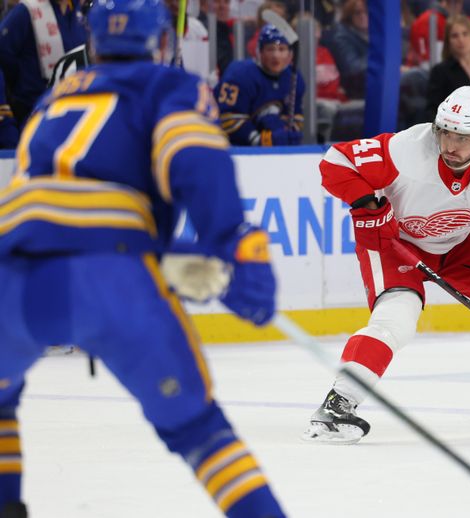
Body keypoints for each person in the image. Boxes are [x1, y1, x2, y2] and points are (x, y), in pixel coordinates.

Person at [0, 0, 286, 517]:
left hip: (12, 276)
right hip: (109, 279)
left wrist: (165, 251)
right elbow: (195, 163)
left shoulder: (53, 97)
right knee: (201, 432)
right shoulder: (169, 86)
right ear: (160, 41)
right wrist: (235, 243)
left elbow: (58, 206)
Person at [302, 86, 470, 445]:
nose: (450, 145)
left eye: (463, 137)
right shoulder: (407, 149)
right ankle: (339, 404)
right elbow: (335, 162)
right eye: (445, 132)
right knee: (397, 318)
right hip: (394, 243)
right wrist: (368, 203)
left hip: (456, 248)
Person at [0, 0, 87, 126]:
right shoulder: (26, 11)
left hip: (75, 107)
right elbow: (4, 54)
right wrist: (22, 85)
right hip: (34, 110)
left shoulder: (79, 12)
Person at [216, 23, 305, 146]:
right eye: (270, 49)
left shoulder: (294, 78)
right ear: (260, 52)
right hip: (230, 146)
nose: (276, 55)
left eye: (282, 49)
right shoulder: (239, 75)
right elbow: (227, 119)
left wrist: (285, 131)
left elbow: (297, 116)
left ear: (290, 54)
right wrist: (258, 140)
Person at [425, 15, 470, 137]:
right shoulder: (440, 71)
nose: (461, 39)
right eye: (455, 36)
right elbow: (432, 111)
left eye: (465, 34)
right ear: (448, 42)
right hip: (454, 138)